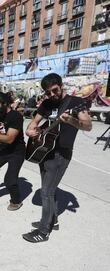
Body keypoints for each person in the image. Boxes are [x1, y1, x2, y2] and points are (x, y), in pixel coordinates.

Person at [22, 73, 92, 243]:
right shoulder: (46, 104)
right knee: (48, 191)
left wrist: (71, 121)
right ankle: (53, 222)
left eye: (55, 90)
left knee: (46, 192)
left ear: (61, 85)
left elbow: (88, 126)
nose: (52, 95)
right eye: (48, 93)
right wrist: (30, 131)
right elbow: (33, 123)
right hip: (44, 150)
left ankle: (43, 231)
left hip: (61, 154)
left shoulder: (75, 103)